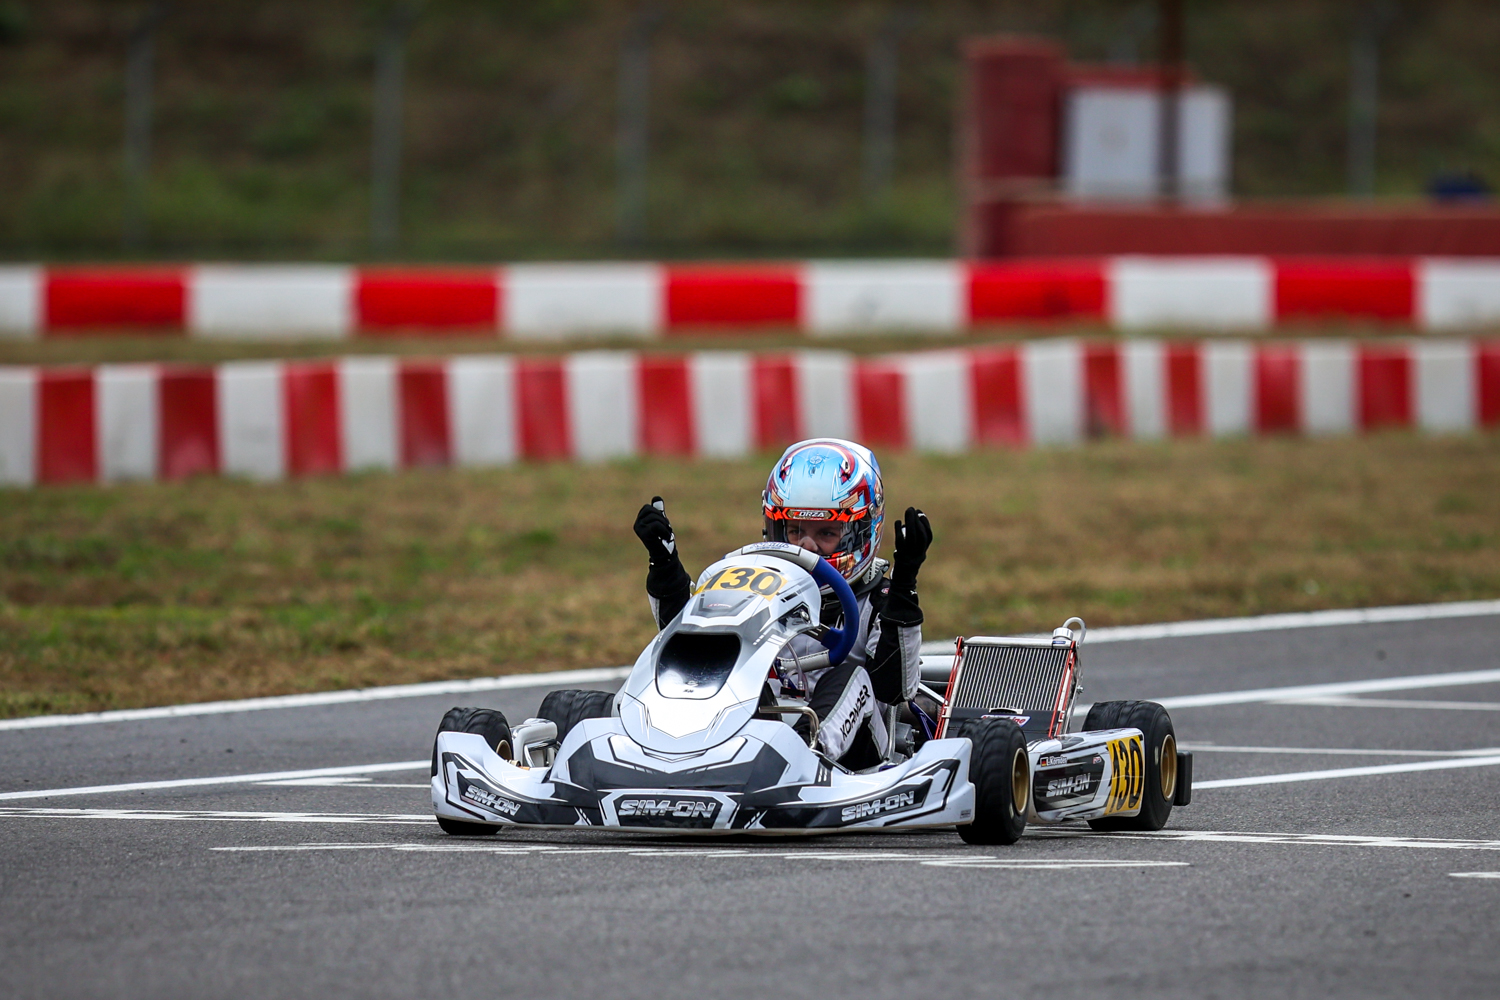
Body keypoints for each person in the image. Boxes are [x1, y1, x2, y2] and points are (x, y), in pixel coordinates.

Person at [632, 438, 931, 770]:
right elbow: (692, 644)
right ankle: (680, 746)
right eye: (794, 530)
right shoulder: (760, 587)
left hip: (859, 750)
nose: (806, 547)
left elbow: (894, 689)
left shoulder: (878, 599)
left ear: (860, 532)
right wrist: (664, 565)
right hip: (763, 735)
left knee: (850, 674)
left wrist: (905, 585)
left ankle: (802, 756)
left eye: (826, 533)